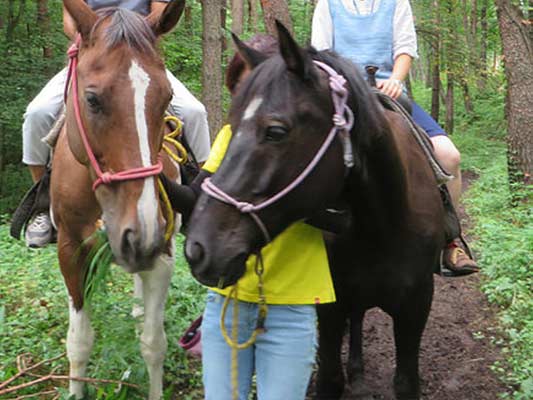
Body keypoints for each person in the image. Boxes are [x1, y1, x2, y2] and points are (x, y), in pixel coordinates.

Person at [163, 35, 336, 400]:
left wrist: (295, 201)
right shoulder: (231, 136)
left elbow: (348, 218)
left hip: (292, 306)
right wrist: (152, 176)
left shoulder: (311, 141)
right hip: (228, 301)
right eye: (241, 90)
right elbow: (196, 199)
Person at [21, 0, 210, 247]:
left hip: (137, 53)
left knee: (194, 112)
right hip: (95, 52)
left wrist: (132, 31)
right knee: (38, 112)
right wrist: (98, 33)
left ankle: (204, 199)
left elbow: (159, 12)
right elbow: (69, 19)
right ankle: (43, 204)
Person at [311, 0, 479, 275]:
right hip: (342, 94)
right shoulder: (327, 5)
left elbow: (404, 49)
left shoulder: (397, 2)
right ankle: (305, 232)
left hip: (389, 92)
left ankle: (446, 240)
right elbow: (320, 55)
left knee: (449, 156)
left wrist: (396, 80)